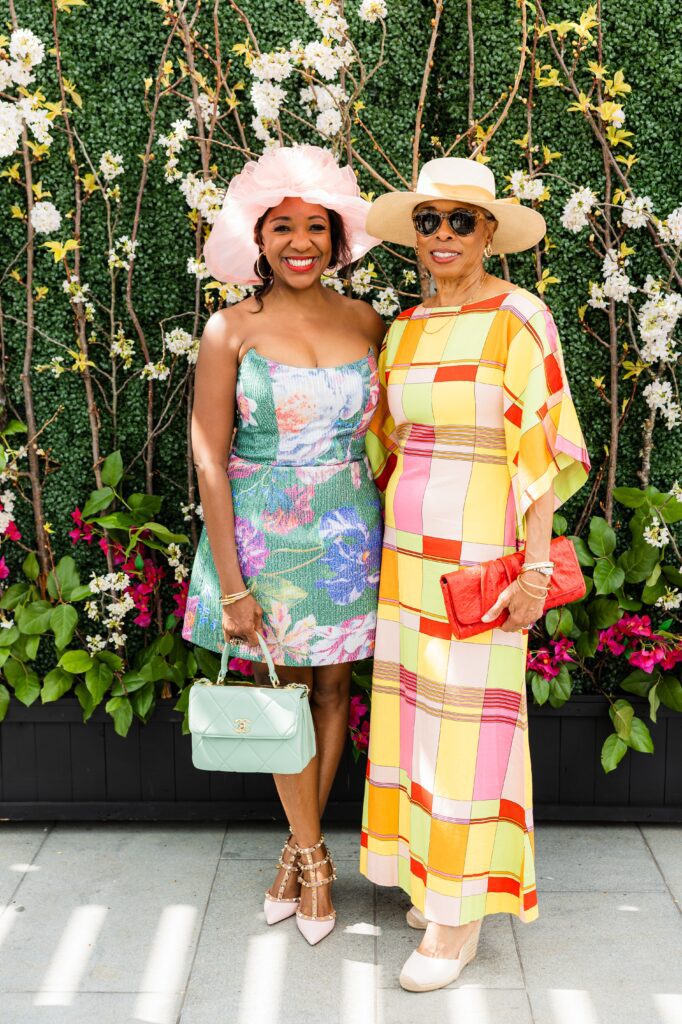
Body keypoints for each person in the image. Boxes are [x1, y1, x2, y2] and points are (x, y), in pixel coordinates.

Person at [359, 157, 590, 990]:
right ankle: (432, 879)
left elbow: (541, 450)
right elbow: (385, 439)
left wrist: (534, 568)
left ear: (490, 232)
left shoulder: (523, 319)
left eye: (463, 220)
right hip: (408, 559)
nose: (445, 235)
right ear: (414, 234)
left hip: (485, 560)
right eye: (430, 221)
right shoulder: (408, 324)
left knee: (468, 728)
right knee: (418, 720)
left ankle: (457, 922)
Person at [182, 145, 385, 945]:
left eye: (315, 228)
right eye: (282, 228)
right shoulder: (229, 328)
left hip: (346, 531)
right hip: (264, 536)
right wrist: (230, 582)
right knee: (289, 693)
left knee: (334, 691)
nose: (300, 242)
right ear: (258, 239)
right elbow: (207, 454)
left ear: (337, 240)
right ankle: (314, 859)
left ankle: (297, 854)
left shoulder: (370, 321)